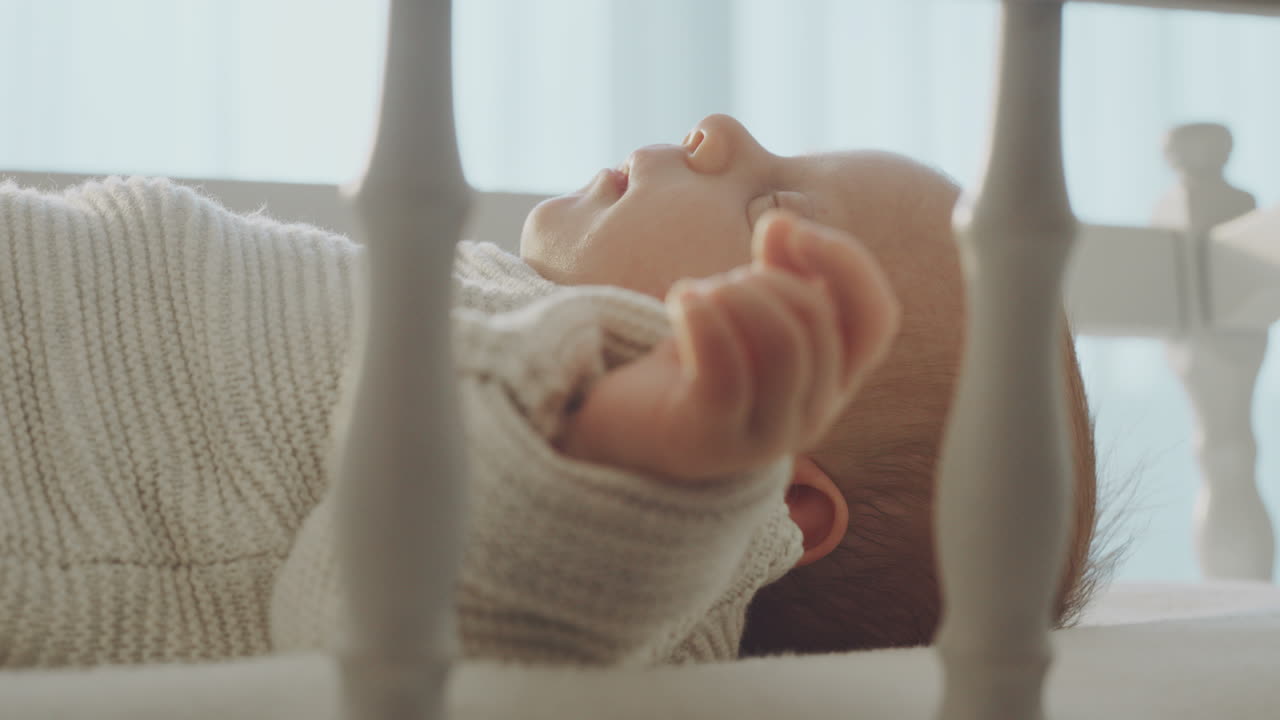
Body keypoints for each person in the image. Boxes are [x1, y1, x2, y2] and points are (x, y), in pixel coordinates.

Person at [0, 114, 1097, 669]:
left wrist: (647, 457)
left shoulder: (622, 553)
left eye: (770, 204)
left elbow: (388, 612)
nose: (716, 130)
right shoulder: (478, 297)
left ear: (775, 503)